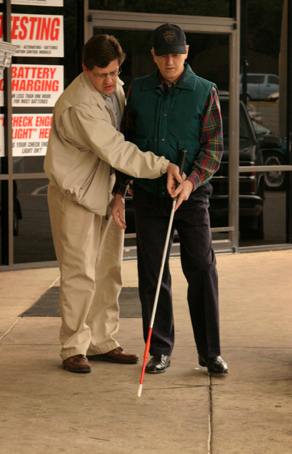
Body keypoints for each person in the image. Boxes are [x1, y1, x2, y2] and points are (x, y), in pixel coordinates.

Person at [44, 34, 182, 374]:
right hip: (73, 195)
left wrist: (119, 193)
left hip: (106, 194)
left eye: (115, 72)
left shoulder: (115, 88)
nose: (110, 81)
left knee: (109, 271)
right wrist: (163, 165)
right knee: (79, 273)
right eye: (102, 74)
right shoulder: (78, 104)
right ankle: (74, 347)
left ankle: (103, 341)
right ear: (85, 70)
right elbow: (117, 150)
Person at [114, 23, 228, 375]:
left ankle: (210, 353)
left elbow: (213, 149)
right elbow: (126, 147)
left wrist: (192, 183)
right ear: (153, 55)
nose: (170, 60)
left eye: (176, 54)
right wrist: (120, 191)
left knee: (202, 270)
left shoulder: (205, 91)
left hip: (191, 197)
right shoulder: (138, 91)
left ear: (187, 52)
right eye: (163, 55)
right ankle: (158, 349)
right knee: (153, 275)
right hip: (150, 197)